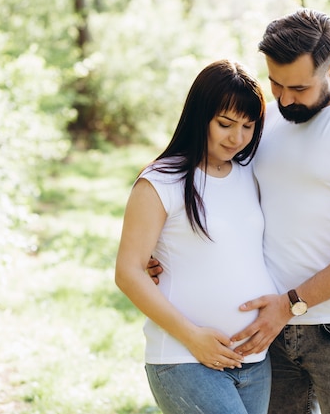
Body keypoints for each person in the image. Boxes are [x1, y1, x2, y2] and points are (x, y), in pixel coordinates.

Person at [148, 8, 330, 414]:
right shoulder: (263, 122)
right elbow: (216, 189)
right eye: (276, 83)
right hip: (267, 335)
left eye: (299, 88)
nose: (286, 98)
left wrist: (289, 304)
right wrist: (159, 246)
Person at [115, 59, 278, 414]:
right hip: (184, 358)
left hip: (254, 360)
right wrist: (192, 337)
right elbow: (128, 272)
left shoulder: (251, 174)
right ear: (199, 116)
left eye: (248, 127)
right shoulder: (160, 181)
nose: (237, 138)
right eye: (225, 124)